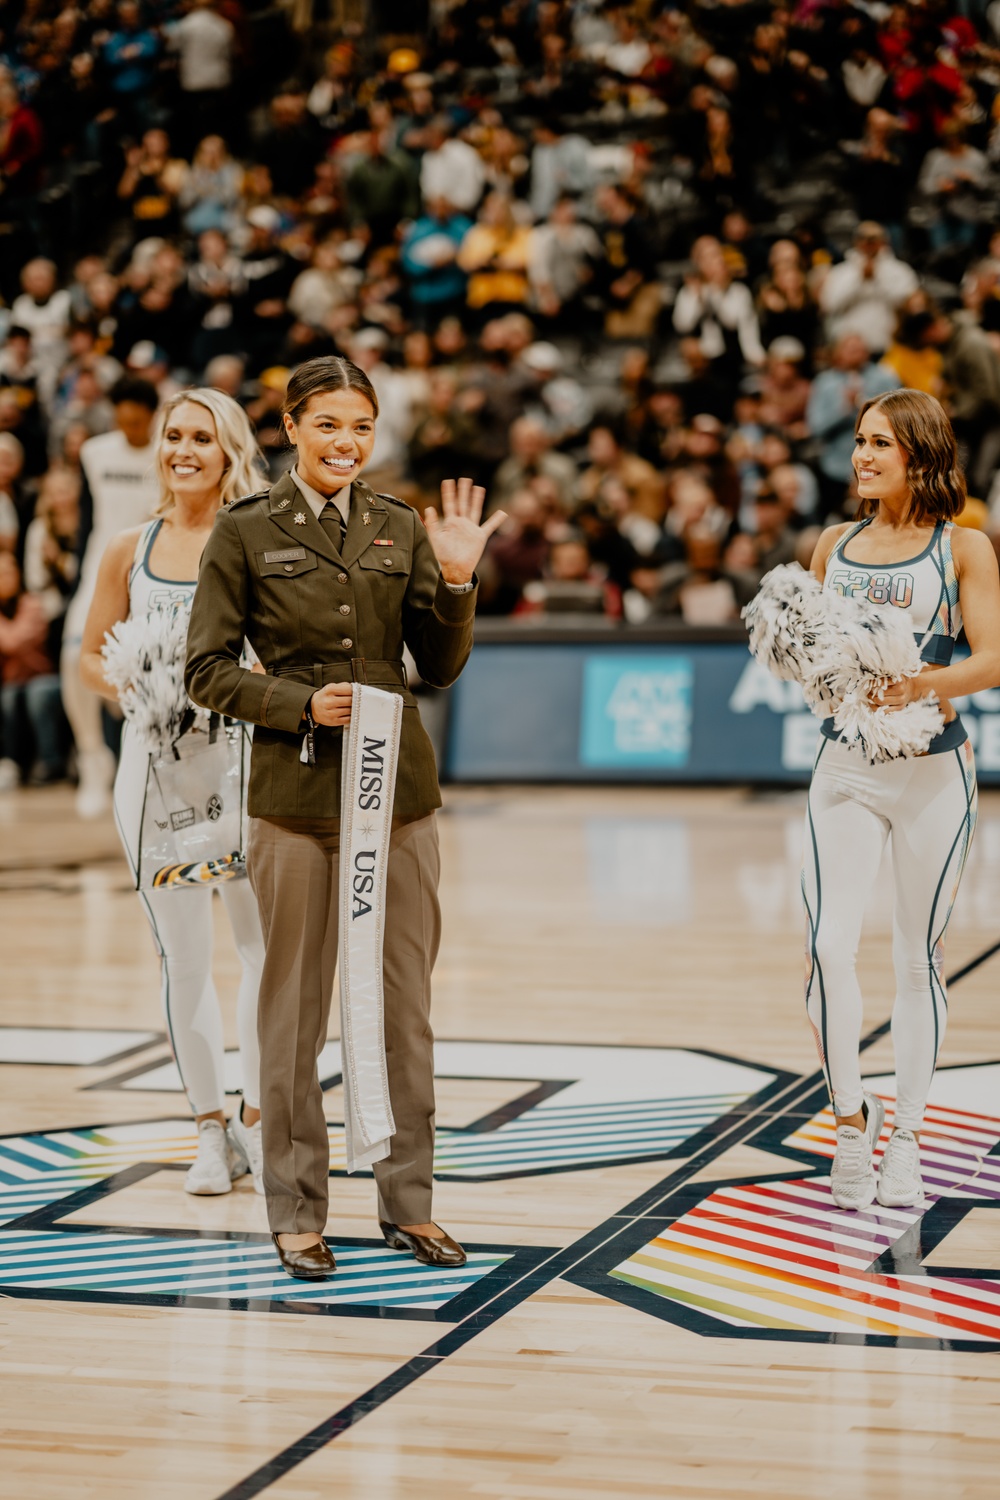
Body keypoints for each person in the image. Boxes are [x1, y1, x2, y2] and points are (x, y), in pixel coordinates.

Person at [184, 356, 506, 1281]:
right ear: (290, 427)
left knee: (406, 1011)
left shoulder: (398, 525)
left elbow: (437, 668)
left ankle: (410, 1206)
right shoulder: (245, 532)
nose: (346, 443)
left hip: (399, 805)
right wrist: (296, 703)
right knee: (291, 1016)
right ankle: (295, 1210)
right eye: (328, 424)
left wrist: (453, 582)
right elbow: (206, 669)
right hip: (294, 805)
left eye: (360, 427)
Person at [804, 389, 1000, 1212]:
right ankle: (851, 1123)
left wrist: (914, 685)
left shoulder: (966, 547)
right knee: (826, 947)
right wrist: (830, 680)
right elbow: (814, 664)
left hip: (932, 773)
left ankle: (909, 1136)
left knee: (915, 958)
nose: (862, 456)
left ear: (919, 453)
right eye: (858, 441)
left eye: (879, 442)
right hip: (845, 768)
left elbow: (989, 663)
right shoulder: (831, 545)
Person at [79, 388, 266, 1195]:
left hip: (243, 770)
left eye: (201, 437)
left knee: (262, 950)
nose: (183, 449)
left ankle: (261, 1119)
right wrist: (136, 688)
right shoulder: (130, 545)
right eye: (173, 436)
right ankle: (208, 1131)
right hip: (150, 775)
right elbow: (91, 653)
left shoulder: (255, 537)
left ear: (230, 451)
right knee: (182, 956)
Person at [61, 376, 159, 818]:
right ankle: (91, 758)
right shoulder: (95, 452)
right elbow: (86, 515)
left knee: (145, 672)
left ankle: (146, 765)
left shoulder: (169, 451)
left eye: (139, 422)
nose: (131, 429)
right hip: (99, 570)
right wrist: (78, 569)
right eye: (124, 421)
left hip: (150, 573)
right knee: (72, 659)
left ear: (153, 417)